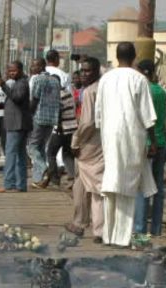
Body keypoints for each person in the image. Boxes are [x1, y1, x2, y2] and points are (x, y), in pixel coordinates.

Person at [95, 42, 158, 247]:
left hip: (110, 138)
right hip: (132, 138)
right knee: (130, 187)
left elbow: (98, 113)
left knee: (113, 184)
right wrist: (153, 141)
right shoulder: (139, 79)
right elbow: (148, 115)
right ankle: (125, 237)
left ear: (116, 55)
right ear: (134, 57)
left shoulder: (105, 78)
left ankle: (110, 235)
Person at [66, 57, 104, 242]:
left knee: (87, 184)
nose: (83, 74)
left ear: (97, 71)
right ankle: (92, 226)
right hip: (105, 141)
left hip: (90, 142)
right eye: (82, 71)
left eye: (87, 71)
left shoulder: (90, 91)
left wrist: (76, 141)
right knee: (91, 185)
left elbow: (88, 122)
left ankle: (86, 224)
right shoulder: (105, 87)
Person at [133, 60, 166, 236]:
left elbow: (147, 121)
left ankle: (139, 229)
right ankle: (156, 228)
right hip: (161, 144)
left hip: (147, 144)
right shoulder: (160, 92)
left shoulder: (143, 91)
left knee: (143, 188)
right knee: (158, 189)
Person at [40, 50, 77, 188]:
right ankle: (73, 177)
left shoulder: (56, 96)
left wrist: (56, 126)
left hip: (60, 129)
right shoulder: (67, 93)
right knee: (67, 154)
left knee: (50, 153)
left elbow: (58, 113)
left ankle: (54, 177)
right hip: (71, 128)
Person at [0, 61, 31, 193]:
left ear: (21, 70)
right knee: (20, 154)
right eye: (10, 70)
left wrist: (3, 86)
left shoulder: (22, 83)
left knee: (11, 153)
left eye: (14, 70)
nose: (11, 73)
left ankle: (8, 183)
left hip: (17, 124)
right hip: (18, 123)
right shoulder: (18, 83)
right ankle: (20, 184)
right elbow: (15, 101)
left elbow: (17, 98)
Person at [28, 58, 61, 188]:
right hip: (52, 118)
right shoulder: (55, 81)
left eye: (35, 65)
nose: (32, 67)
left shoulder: (37, 79)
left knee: (32, 147)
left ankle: (45, 168)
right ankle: (38, 179)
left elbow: (34, 100)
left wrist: (28, 114)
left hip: (38, 117)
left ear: (42, 66)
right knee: (41, 147)